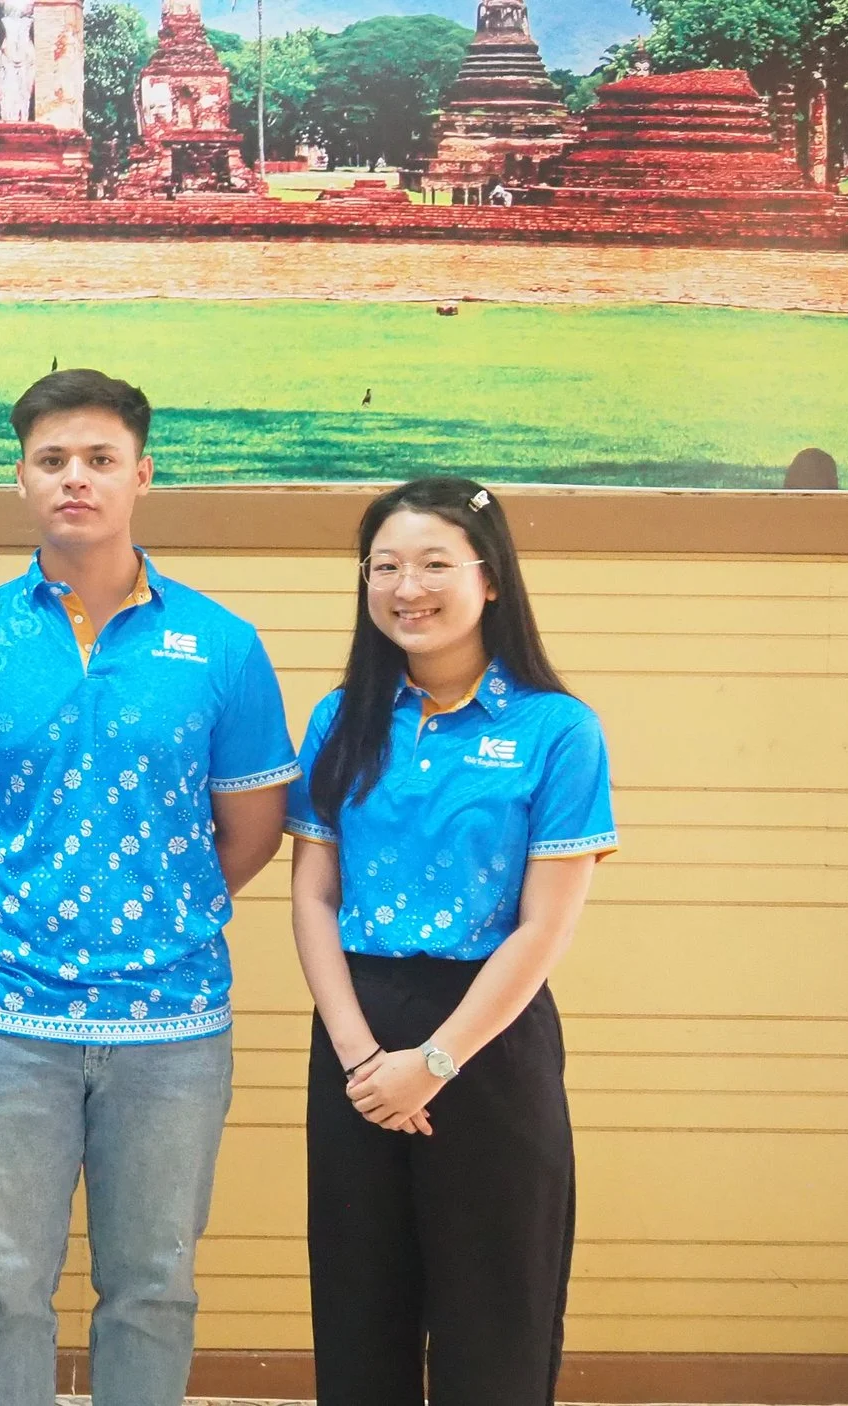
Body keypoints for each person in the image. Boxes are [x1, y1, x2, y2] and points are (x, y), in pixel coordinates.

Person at [0, 369, 298, 1406]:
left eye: (100, 458)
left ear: (142, 475)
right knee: (0, 1286)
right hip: (1, 1019)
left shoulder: (218, 645)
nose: (75, 478)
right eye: (53, 459)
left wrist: (157, 904)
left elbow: (247, 830)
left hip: (170, 1021)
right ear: (20, 475)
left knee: (153, 1286)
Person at [287, 477, 615, 1405]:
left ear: (491, 577)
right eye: (384, 566)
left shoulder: (556, 729)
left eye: (435, 563)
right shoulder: (339, 718)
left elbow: (546, 924)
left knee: (495, 1317)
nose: (407, 587)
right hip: (355, 1029)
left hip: (488, 1037)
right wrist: (362, 1059)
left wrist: (431, 1061)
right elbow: (313, 898)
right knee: (359, 1310)